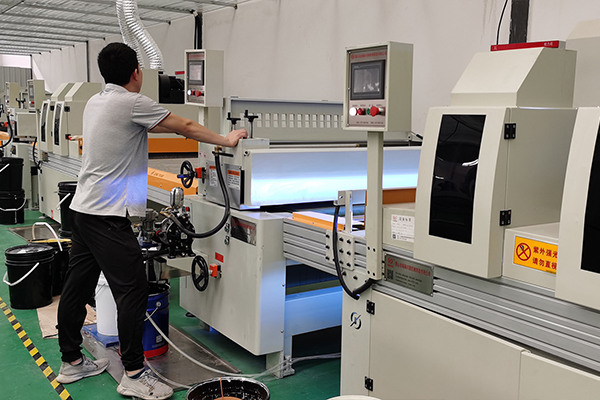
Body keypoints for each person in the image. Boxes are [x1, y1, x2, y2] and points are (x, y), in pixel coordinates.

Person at [55, 42, 247, 400]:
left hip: (81, 210)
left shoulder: (96, 101)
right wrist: (227, 139)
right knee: (133, 291)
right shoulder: (132, 103)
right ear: (136, 73)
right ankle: (133, 373)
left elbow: (148, 130)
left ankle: (71, 361)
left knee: (77, 287)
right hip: (106, 216)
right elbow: (184, 125)